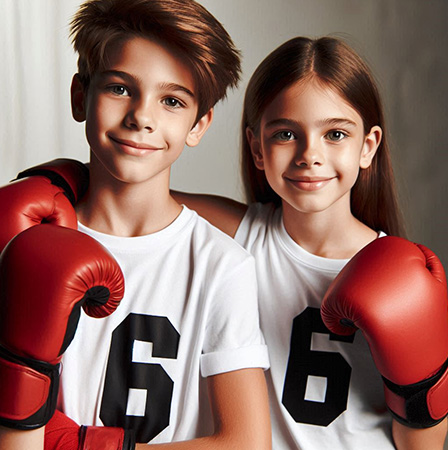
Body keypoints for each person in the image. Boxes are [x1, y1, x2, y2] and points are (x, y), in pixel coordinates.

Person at [16, 35, 448, 449]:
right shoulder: (245, 236)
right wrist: (55, 182)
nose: (309, 155)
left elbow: (423, 446)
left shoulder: (406, 280)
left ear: (368, 146)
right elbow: (135, 192)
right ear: (257, 148)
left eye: (335, 134)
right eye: (284, 134)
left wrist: (421, 380)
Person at [0, 0, 272, 449]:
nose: (142, 117)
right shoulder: (23, 241)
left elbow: (245, 443)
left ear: (198, 124)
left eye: (171, 101)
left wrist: (90, 447)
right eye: (120, 88)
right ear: (78, 96)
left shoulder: (221, 266)